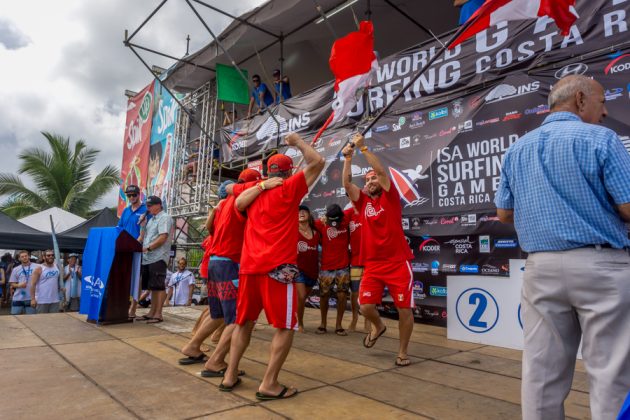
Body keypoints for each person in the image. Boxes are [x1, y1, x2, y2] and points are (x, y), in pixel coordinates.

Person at [494, 74, 630, 420]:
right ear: (581, 100)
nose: (604, 112)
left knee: (541, 373)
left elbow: (504, 213)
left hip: (540, 267)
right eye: (601, 103)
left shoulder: (516, 149)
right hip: (602, 266)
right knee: (611, 374)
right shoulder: (602, 139)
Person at [222, 132, 324, 399]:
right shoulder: (289, 188)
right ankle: (268, 384)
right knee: (285, 326)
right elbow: (318, 162)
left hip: (249, 267)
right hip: (278, 267)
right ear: (288, 172)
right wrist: (299, 142)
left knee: (244, 323)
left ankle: (230, 375)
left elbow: (234, 195)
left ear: (268, 171)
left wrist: (260, 186)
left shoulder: (253, 193)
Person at [342, 133, 415, 368]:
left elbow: (382, 174)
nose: (370, 181)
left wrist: (363, 149)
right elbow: (346, 184)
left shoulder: (390, 197)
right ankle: (379, 326)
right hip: (372, 264)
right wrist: (347, 158)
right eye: (367, 179)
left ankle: (402, 352)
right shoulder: (362, 202)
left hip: (397, 262)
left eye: (373, 178)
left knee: (404, 309)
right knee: (365, 307)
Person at [178, 169, 262, 366]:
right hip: (230, 263)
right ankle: (217, 361)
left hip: (216, 261)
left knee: (218, 314)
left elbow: (210, 228)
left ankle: (193, 345)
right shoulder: (242, 202)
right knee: (237, 317)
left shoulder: (222, 204)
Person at [314, 204, 351, 336]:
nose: (334, 223)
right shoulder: (320, 223)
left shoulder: (347, 218)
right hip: (326, 266)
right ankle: (323, 323)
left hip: (343, 266)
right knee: (324, 295)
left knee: (342, 295)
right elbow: (304, 225)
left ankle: (339, 325)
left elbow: (358, 202)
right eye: (331, 220)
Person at [138, 195, 172, 324]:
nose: (148, 208)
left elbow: (163, 237)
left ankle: (158, 313)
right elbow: (143, 237)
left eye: (150, 205)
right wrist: (142, 224)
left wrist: (149, 248)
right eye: (147, 206)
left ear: (158, 205)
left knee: (158, 286)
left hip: (158, 256)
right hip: (148, 258)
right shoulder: (151, 220)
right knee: (152, 287)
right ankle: (152, 312)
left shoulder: (165, 217)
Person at [296, 204, 320, 333]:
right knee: (301, 296)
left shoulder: (316, 232)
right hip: (298, 270)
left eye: (304, 211)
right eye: (299, 211)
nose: (301, 213)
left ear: (309, 215)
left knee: (303, 299)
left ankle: (295, 315)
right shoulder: (292, 230)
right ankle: (299, 323)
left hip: (313, 271)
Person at [346, 205, 366, 332]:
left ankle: (368, 321)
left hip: (371, 260)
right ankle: (354, 318)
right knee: (354, 292)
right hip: (355, 260)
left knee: (370, 293)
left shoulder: (369, 210)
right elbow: (334, 216)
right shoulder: (349, 213)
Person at [8, 251, 37, 315]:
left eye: (26, 256)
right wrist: (19, 285)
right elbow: (11, 283)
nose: (24, 258)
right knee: (14, 317)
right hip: (18, 297)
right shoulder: (16, 269)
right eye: (22, 257)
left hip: (31, 298)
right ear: (19, 259)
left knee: (32, 319)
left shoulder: (37, 266)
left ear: (29, 256)